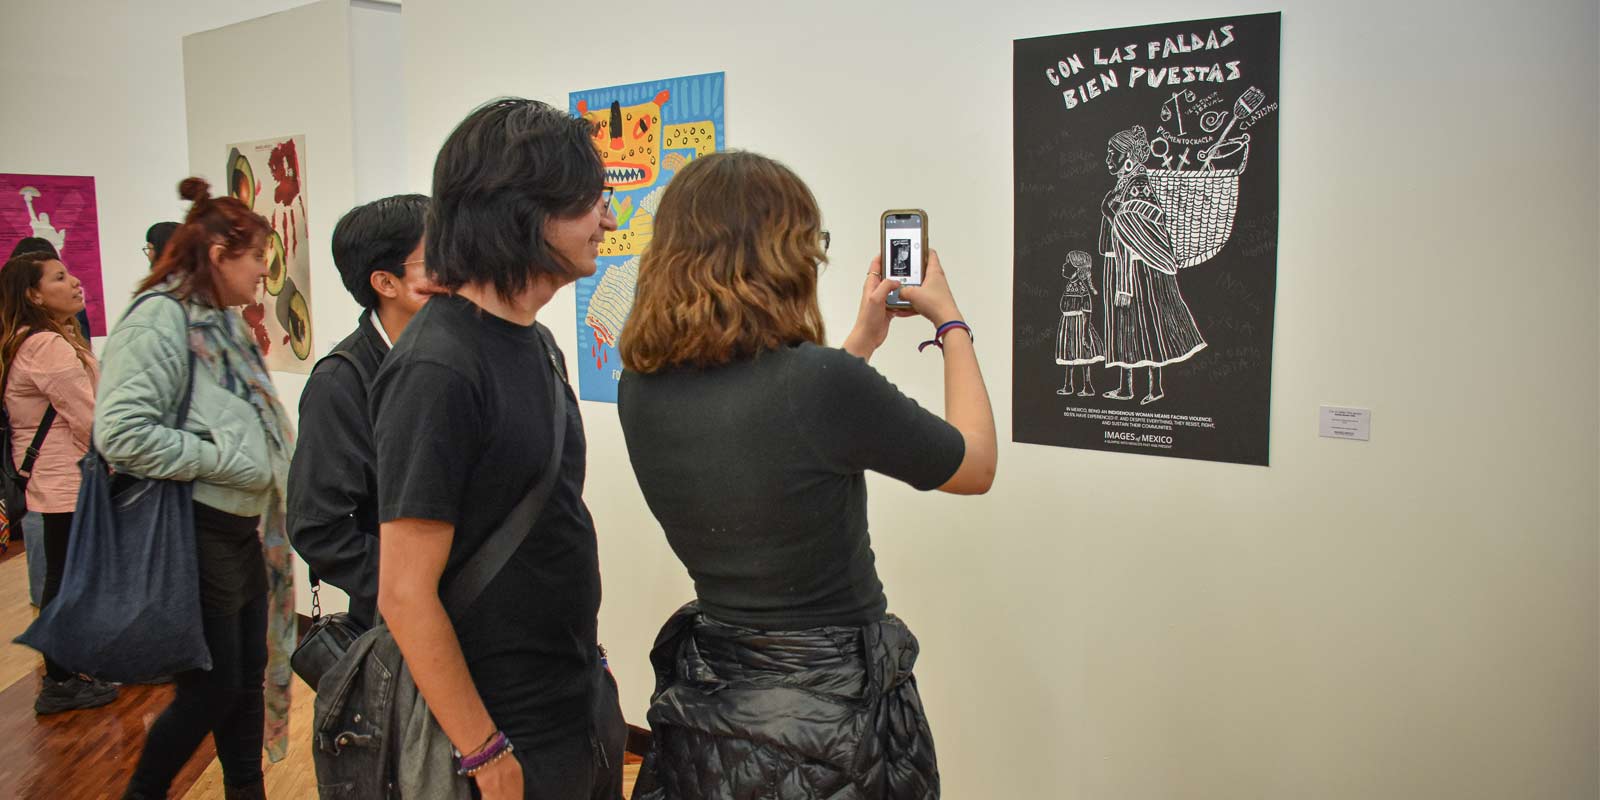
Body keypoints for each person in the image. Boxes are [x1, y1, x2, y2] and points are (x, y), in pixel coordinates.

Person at [616, 151, 997, 799]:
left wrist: (862, 340)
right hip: (833, 714)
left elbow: (773, 425)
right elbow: (974, 464)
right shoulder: (819, 385)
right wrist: (950, 322)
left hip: (716, 697)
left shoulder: (640, 386)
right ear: (783, 255)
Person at [371, 98, 625, 800]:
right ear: (525, 213)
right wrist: (484, 750)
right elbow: (404, 591)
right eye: (590, 203)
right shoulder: (438, 367)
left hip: (573, 696)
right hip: (505, 730)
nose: (607, 221)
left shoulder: (536, 341)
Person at [99, 178, 294, 800]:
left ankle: (247, 790)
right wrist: (223, 460)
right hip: (193, 529)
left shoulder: (220, 321)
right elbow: (120, 434)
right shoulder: (160, 318)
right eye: (256, 256)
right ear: (218, 254)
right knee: (212, 686)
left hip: (237, 528)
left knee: (244, 677)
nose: (263, 270)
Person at [288, 194, 431, 628]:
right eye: (437, 258)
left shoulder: (456, 354)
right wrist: (415, 586)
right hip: (407, 621)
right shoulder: (341, 383)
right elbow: (319, 528)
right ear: (386, 283)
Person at [0, 251, 117, 714]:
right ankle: (61, 680)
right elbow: (87, 418)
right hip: (67, 479)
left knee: (67, 577)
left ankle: (70, 670)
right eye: (59, 277)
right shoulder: (46, 345)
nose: (74, 282)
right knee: (66, 579)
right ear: (33, 294)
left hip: (61, 478)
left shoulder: (35, 339)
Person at [1098, 125, 1206, 404]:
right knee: (1124, 327)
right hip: (1119, 266)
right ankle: (1126, 387)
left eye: (1113, 154)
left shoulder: (1139, 185)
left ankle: (1155, 387)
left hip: (1141, 269)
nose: (1108, 160)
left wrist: (1113, 213)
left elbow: (1137, 229)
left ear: (1128, 157)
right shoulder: (1123, 184)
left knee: (1147, 324)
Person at [9, 238, 91, 338]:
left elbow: (85, 343)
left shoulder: (73, 310)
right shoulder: (37, 339)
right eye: (60, 277)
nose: (76, 281)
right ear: (33, 293)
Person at [1055, 249, 1103, 396]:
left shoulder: (1081, 288)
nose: (1064, 265)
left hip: (1078, 325)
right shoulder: (1070, 285)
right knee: (1069, 355)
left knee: (1083, 356)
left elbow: (1087, 310)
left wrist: (1085, 333)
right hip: (1068, 324)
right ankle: (1068, 385)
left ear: (1077, 268)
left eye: (1068, 263)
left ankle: (1087, 386)